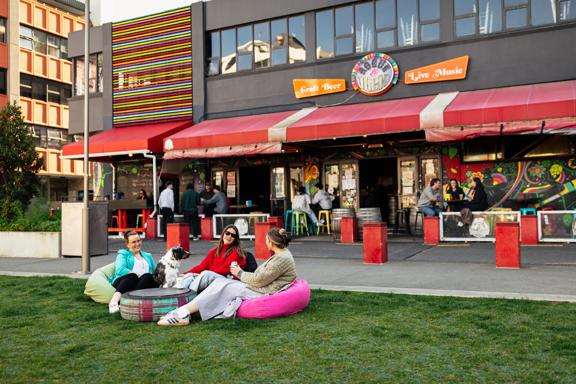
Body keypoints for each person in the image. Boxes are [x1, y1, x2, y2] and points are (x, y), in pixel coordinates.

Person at [158, 227, 296, 326]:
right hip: (255, 285)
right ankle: (182, 311)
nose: (229, 236)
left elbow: (259, 280)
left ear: (271, 242)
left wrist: (239, 273)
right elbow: (260, 277)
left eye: (266, 239)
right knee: (214, 283)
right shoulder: (281, 255)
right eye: (227, 233)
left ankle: (182, 313)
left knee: (221, 285)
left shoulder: (281, 258)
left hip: (260, 290)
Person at [178, 225, 248, 292]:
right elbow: (202, 267)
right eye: (227, 233)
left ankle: (190, 295)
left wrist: (200, 275)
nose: (229, 236)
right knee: (189, 276)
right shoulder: (214, 251)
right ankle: (179, 296)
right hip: (213, 277)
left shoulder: (236, 252)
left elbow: (224, 270)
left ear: (235, 239)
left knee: (206, 274)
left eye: (233, 235)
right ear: (223, 234)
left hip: (227, 280)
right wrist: (185, 274)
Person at [108, 231, 157, 314]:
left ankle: (131, 303)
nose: (137, 244)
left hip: (142, 284)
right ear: (127, 244)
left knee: (148, 276)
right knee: (132, 276)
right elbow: (120, 269)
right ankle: (114, 302)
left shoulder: (148, 255)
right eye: (134, 242)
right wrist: (136, 274)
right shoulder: (123, 254)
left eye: (139, 241)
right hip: (125, 282)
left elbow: (155, 272)